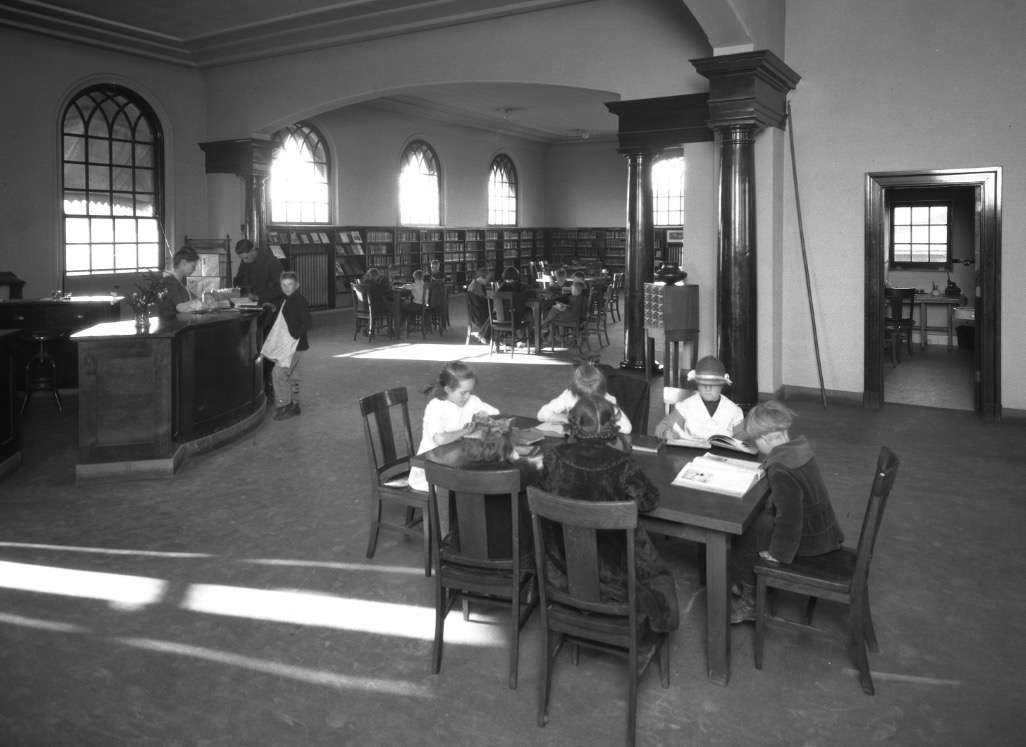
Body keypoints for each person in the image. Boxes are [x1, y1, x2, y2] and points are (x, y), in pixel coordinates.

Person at [538, 396, 679, 634]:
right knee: (659, 577)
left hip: (563, 567)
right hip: (618, 575)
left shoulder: (554, 457)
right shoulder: (622, 464)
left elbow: (546, 495)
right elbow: (648, 502)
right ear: (611, 426)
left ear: (573, 424)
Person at [727, 400, 845, 623]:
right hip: (825, 530)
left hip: (811, 542)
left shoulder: (781, 470)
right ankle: (749, 583)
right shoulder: (798, 450)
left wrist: (778, 554)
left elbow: (791, 519)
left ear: (763, 439)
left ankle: (751, 600)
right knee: (762, 522)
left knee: (747, 534)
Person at [408, 361, 500, 492]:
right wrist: (464, 431)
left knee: (482, 479)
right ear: (448, 390)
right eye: (463, 393)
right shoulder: (436, 407)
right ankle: (457, 511)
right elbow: (440, 439)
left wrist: (485, 415)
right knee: (474, 485)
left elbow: (496, 413)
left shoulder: (471, 401)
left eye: (470, 391)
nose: (468, 396)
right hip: (430, 471)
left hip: (455, 464)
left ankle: (469, 510)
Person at [257, 272, 312, 421]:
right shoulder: (288, 300)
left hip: (295, 346)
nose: (287, 288)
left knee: (279, 373)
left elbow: (307, 322)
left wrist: (295, 336)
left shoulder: (299, 301)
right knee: (292, 375)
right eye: (284, 285)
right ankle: (295, 404)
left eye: (290, 285)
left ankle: (284, 405)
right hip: (294, 345)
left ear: (297, 285)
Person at [653, 355, 744, 442]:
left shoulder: (733, 410)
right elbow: (661, 427)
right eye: (703, 384)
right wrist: (667, 433)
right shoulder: (687, 406)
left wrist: (738, 440)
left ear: (721, 385)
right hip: (691, 456)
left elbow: (741, 437)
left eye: (713, 384)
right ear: (697, 384)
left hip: (722, 456)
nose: (708, 388)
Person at [537, 361, 632, 434]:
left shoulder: (608, 400)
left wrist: (601, 425)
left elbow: (627, 428)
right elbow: (541, 414)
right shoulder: (568, 396)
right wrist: (564, 418)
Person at [233, 239, 285, 306]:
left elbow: (282, 288)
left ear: (253, 250)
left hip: (270, 304)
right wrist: (238, 289)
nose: (244, 261)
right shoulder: (245, 262)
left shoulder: (271, 262)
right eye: (242, 259)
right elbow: (239, 280)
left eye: (246, 257)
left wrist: (258, 297)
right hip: (249, 303)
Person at [156, 247, 199, 317]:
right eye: (193, 266)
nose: (194, 269)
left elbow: (193, 297)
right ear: (183, 263)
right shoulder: (169, 281)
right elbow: (180, 307)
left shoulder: (180, 280)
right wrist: (200, 304)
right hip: (172, 324)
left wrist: (204, 298)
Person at [466, 267, 492, 343]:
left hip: (475, 312)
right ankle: (484, 335)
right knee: (495, 314)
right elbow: (485, 282)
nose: (488, 281)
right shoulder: (477, 283)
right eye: (487, 278)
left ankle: (485, 334)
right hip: (478, 314)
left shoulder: (474, 283)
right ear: (483, 276)